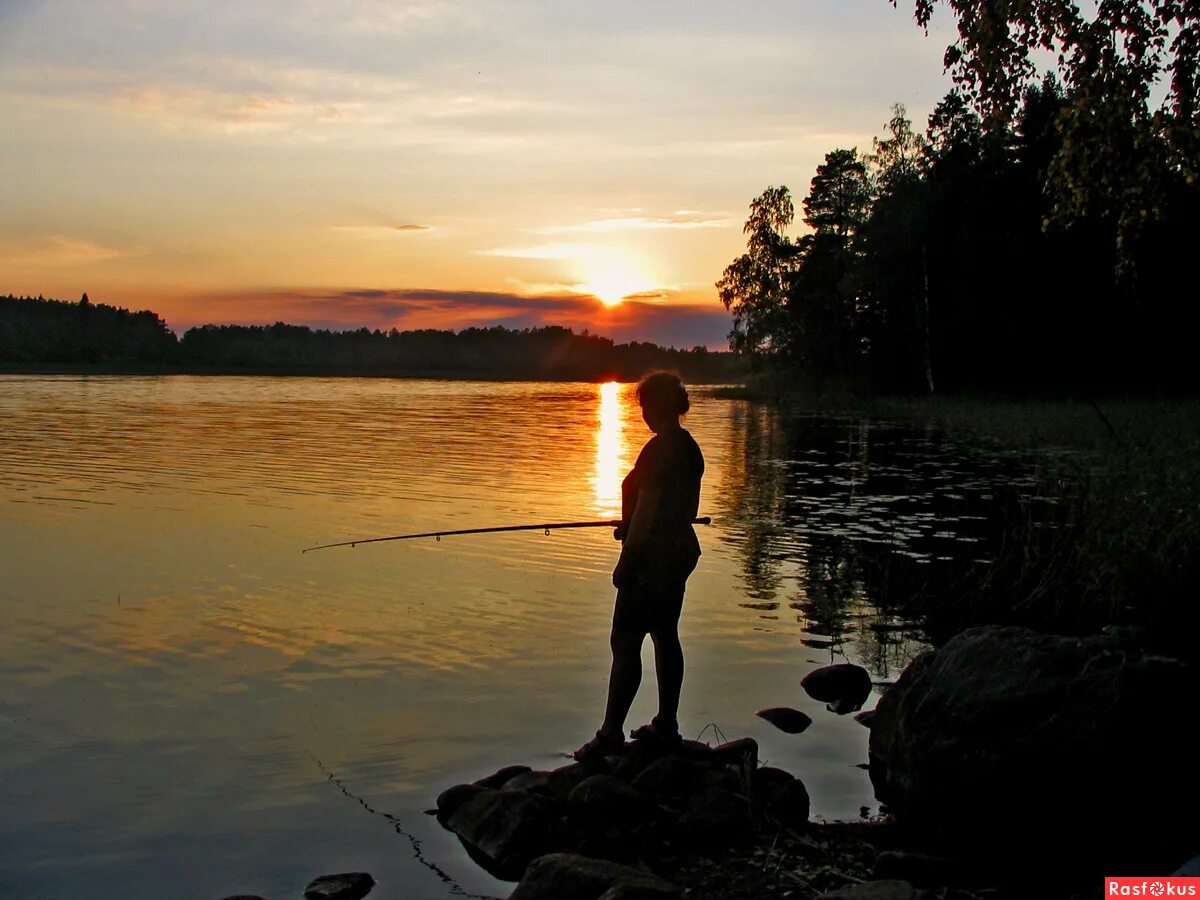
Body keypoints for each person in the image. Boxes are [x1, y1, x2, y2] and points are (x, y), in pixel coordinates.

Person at [574, 371, 704, 762]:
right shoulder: (689, 447)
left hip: (651, 559)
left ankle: (610, 734)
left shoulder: (660, 449)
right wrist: (629, 527)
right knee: (666, 634)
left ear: (659, 405)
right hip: (678, 552)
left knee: (625, 641)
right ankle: (667, 725)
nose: (643, 412)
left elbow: (648, 510)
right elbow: (684, 510)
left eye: (645, 404)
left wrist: (626, 558)